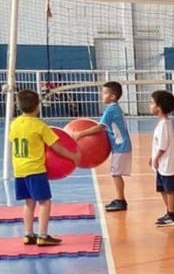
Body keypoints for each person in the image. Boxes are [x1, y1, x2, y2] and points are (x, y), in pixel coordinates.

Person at [8, 89, 81, 245]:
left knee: (28, 202)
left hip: (19, 170)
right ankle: (43, 235)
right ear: (38, 106)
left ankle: (28, 234)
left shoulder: (14, 124)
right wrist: (73, 156)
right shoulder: (39, 125)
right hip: (35, 169)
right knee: (44, 202)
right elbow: (56, 147)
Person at [71, 81, 132, 212]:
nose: (101, 95)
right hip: (120, 146)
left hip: (121, 146)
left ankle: (121, 201)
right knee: (116, 173)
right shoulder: (114, 108)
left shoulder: (111, 109)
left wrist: (80, 134)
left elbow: (100, 127)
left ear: (113, 96)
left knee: (116, 174)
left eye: (104, 93)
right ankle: (119, 198)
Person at [150, 90, 174, 227]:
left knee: (169, 190)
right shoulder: (162, 123)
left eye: (152, 103)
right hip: (161, 165)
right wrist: (153, 158)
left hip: (166, 164)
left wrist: (156, 158)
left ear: (159, 107)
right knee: (162, 189)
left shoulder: (164, 125)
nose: (150, 105)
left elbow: (162, 145)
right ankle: (170, 211)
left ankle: (172, 215)